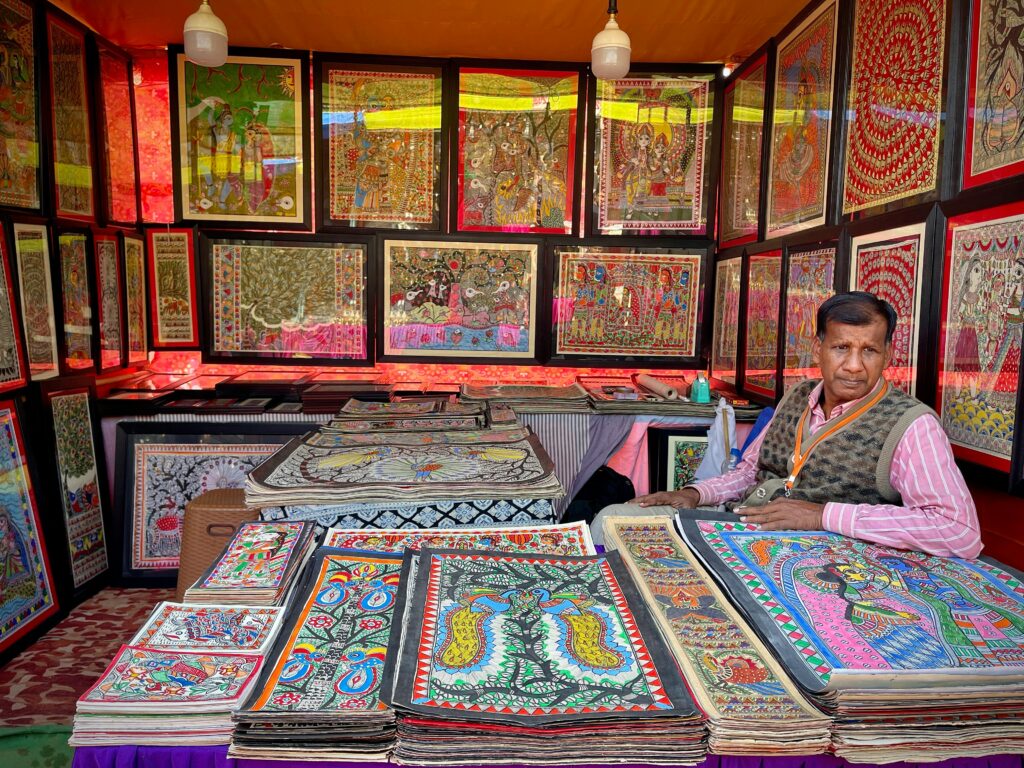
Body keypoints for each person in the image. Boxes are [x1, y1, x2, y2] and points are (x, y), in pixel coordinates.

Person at [602, 291, 982, 559]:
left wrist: (822, 515)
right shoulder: (798, 396)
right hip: (744, 527)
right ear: (818, 347)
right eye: (841, 348)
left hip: (818, 557)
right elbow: (751, 472)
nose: (853, 365)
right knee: (612, 521)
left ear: (888, 355)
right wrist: (696, 494)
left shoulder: (912, 425)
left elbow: (958, 531)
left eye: (869, 350)